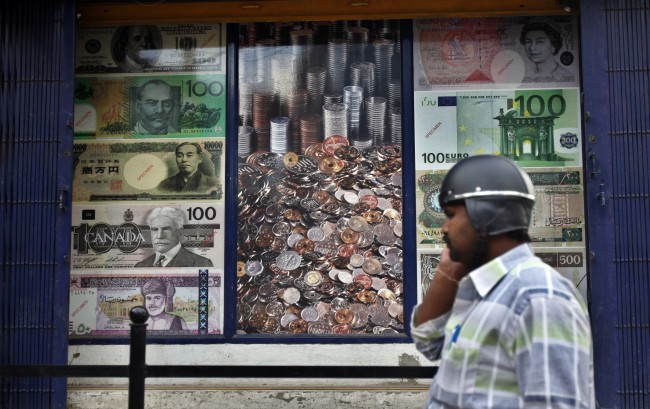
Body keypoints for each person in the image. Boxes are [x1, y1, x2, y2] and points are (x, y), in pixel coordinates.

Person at [411, 155, 594, 409]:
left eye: (451, 215)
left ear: (485, 217)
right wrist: (447, 268)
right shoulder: (482, 288)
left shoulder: (539, 297)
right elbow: (428, 342)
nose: (444, 228)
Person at [134, 207, 213, 267]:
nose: (159, 236)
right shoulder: (139, 266)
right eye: (155, 230)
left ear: (180, 232)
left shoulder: (202, 264)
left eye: (166, 229)